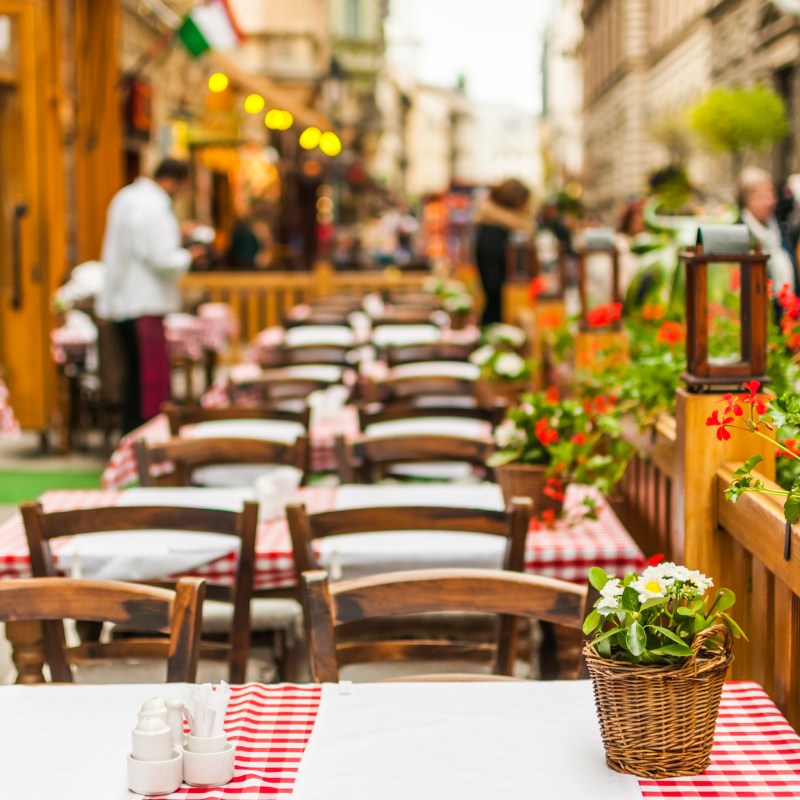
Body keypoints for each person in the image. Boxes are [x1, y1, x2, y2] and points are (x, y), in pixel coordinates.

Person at [97, 158, 200, 433]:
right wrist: (190, 254)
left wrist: (176, 235)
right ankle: (150, 437)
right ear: (172, 181)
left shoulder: (127, 197)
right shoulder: (153, 206)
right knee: (150, 379)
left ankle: (132, 436)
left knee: (133, 376)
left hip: (123, 300)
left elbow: (140, 244)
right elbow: (160, 257)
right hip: (145, 301)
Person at [474, 179, 533, 325]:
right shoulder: (495, 231)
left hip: (499, 312)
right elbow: (493, 284)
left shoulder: (499, 228)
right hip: (498, 317)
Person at [738, 167, 799, 303]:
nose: (770, 201)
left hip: (784, 313)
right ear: (747, 199)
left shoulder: (779, 228)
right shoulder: (737, 232)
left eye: (772, 194)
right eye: (762, 197)